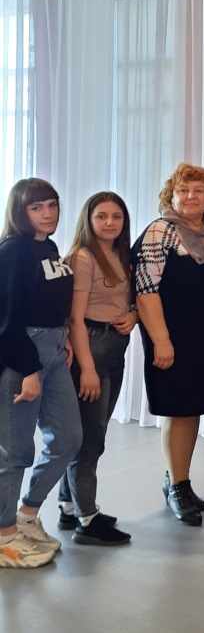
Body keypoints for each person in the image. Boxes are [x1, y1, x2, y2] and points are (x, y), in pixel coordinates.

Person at [133, 162, 204, 526]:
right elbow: (145, 291)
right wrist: (161, 341)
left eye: (198, 191)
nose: (191, 197)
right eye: (183, 191)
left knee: (192, 410)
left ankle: (178, 479)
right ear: (171, 196)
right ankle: (177, 486)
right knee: (178, 411)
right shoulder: (160, 232)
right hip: (172, 340)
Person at [0, 179, 82, 568]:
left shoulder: (47, 247)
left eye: (52, 205)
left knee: (68, 438)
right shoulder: (13, 251)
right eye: (37, 207)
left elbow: (49, 300)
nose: (48, 213)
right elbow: (7, 321)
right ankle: (4, 537)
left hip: (54, 350)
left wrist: (62, 336)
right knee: (14, 451)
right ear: (21, 211)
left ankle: (27, 515)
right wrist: (28, 369)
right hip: (22, 357)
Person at [56, 192, 136, 546]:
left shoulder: (121, 254)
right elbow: (74, 318)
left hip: (114, 348)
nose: (109, 222)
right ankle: (88, 520)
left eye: (116, 216)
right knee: (90, 441)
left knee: (91, 433)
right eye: (101, 216)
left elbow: (128, 300)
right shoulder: (83, 258)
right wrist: (87, 368)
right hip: (91, 347)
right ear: (88, 220)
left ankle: (68, 507)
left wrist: (134, 315)